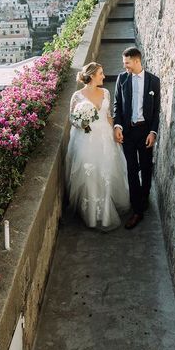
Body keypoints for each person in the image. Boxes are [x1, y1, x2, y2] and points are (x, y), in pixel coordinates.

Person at [66, 61, 130, 231]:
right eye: (101, 73)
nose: (103, 76)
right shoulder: (77, 96)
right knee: (90, 176)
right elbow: (72, 119)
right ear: (92, 75)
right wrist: (82, 123)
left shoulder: (106, 93)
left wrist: (117, 130)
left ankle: (107, 213)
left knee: (107, 173)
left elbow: (108, 116)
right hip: (86, 140)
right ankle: (92, 216)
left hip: (105, 139)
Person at [113, 47, 160, 230]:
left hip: (146, 132)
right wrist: (117, 126)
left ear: (137, 61)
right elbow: (117, 105)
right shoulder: (122, 79)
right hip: (129, 132)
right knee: (132, 170)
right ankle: (137, 210)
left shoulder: (154, 81)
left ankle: (144, 197)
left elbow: (156, 111)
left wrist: (153, 132)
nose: (124, 66)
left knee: (147, 168)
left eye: (127, 63)